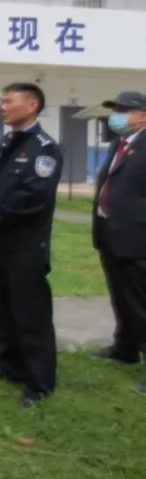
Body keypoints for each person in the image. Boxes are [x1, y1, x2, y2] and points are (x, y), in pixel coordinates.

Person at [0, 82, 62, 408]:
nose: (3, 107)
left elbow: (34, 196)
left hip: (25, 243)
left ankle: (39, 381)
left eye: (9, 101)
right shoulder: (3, 144)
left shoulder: (45, 149)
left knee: (30, 313)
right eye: (2, 101)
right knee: (4, 306)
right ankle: (9, 365)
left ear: (32, 105)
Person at [90, 91, 146, 390]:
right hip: (110, 233)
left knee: (141, 302)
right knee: (121, 297)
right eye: (115, 109)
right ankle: (126, 348)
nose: (117, 116)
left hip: (137, 236)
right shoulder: (119, 143)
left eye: (124, 110)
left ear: (143, 115)